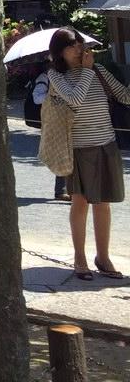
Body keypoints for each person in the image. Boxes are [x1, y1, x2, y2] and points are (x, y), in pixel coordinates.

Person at [44, 27, 130, 280]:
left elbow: (124, 96)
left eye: (80, 44)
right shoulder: (56, 76)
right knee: (79, 203)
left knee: (103, 203)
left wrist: (94, 70)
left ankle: (103, 257)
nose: (79, 49)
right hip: (78, 147)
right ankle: (79, 258)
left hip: (105, 143)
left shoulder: (98, 71)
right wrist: (87, 72)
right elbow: (75, 99)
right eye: (73, 45)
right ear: (60, 52)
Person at [30, 66, 68, 201]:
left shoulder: (67, 76)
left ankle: (68, 190)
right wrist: (55, 95)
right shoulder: (44, 78)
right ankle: (62, 190)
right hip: (54, 122)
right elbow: (37, 98)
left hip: (69, 119)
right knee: (64, 154)